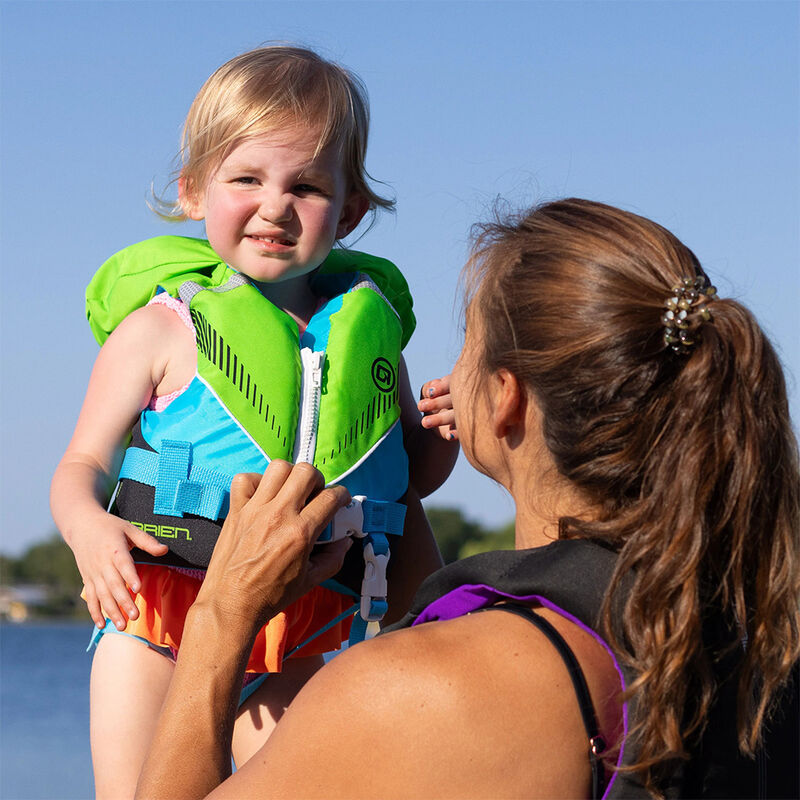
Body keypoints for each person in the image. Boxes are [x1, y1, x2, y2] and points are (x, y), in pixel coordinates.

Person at [135, 199, 799, 799]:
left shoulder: (424, 692)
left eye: (468, 348)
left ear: (506, 397)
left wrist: (223, 614)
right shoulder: (756, 642)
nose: (449, 376)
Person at [50, 46, 454, 798]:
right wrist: (87, 529)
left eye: (305, 186)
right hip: (163, 615)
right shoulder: (162, 330)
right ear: (195, 191)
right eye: (246, 179)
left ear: (351, 209)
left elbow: (410, 480)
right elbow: (80, 469)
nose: (275, 206)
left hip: (318, 626)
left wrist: (441, 431)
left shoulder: (367, 336)